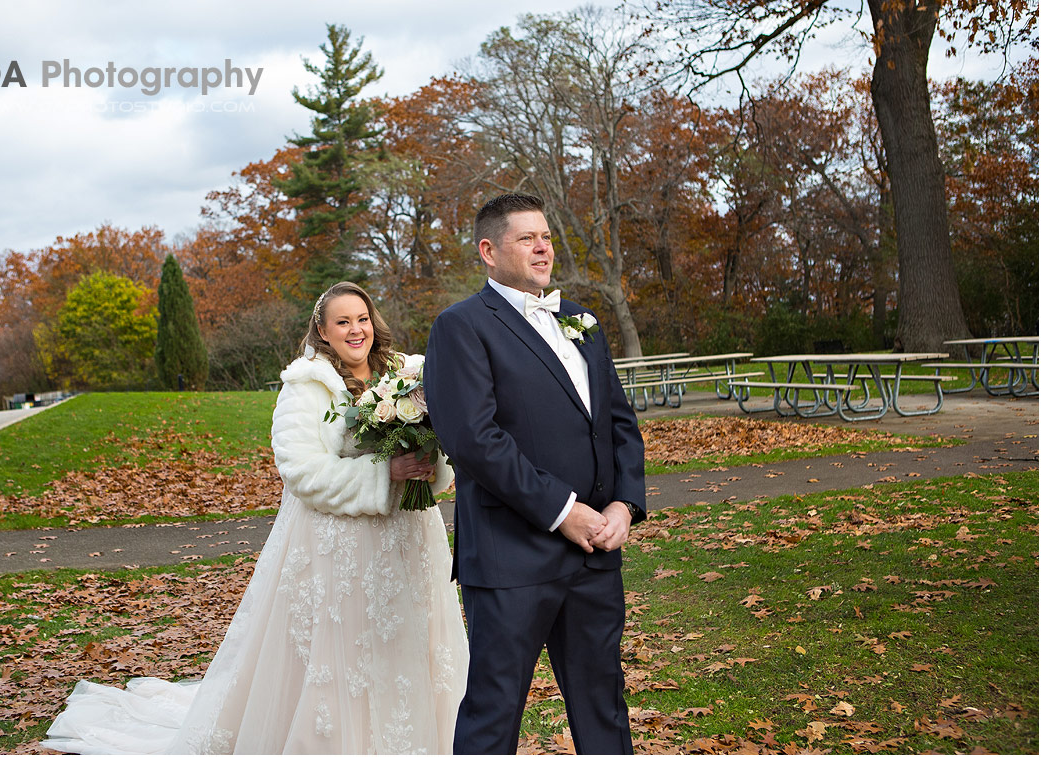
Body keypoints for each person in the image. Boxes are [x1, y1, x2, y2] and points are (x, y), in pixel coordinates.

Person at [42, 281, 467, 754]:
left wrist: (429, 468)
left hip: (408, 543)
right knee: (347, 655)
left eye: (362, 319)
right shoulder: (307, 385)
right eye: (343, 322)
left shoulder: (406, 376)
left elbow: (441, 445)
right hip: (342, 552)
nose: (356, 330)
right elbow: (302, 471)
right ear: (322, 332)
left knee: (406, 646)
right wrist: (384, 473)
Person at [423, 193, 647, 754]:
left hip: (595, 552)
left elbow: (618, 421)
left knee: (604, 703)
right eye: (526, 238)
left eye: (545, 235)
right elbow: (474, 441)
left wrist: (625, 504)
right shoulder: (461, 327)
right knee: (494, 713)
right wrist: (563, 510)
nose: (543, 246)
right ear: (489, 252)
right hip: (510, 558)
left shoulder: (582, 321)